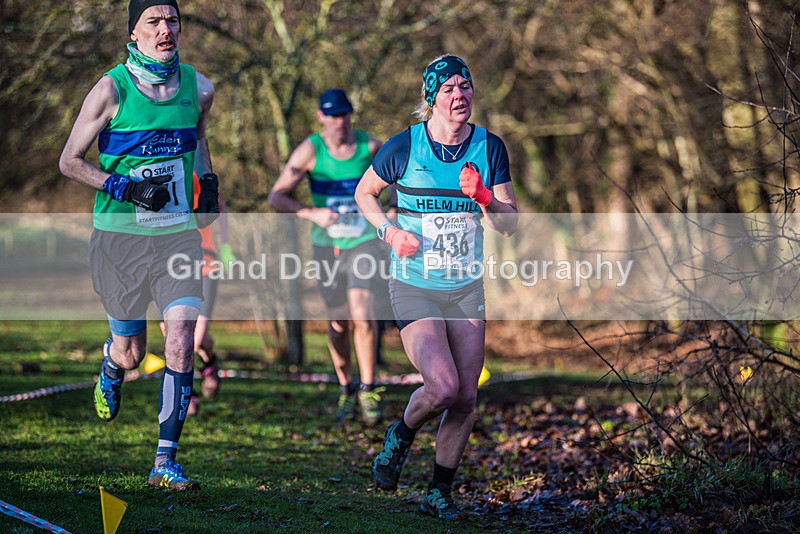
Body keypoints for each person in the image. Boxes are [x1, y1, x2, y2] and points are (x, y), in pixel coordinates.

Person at [58, 0, 219, 491]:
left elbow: (198, 139)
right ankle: (112, 360)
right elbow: (69, 161)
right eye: (153, 21)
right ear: (133, 34)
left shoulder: (200, 87)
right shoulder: (111, 89)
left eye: (172, 20)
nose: (165, 29)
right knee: (133, 355)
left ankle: (164, 461)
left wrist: (207, 180)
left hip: (176, 237)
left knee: (180, 341)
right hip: (120, 241)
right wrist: (123, 187)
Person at [354, 55, 518, 520]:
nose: (459, 95)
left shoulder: (490, 147)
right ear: (431, 98)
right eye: (447, 88)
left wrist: (484, 196)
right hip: (415, 286)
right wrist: (389, 232)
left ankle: (438, 492)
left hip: (466, 288)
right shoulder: (404, 146)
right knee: (442, 387)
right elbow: (365, 193)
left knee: (466, 397)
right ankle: (402, 433)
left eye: (465, 85)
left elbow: (510, 224)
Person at [268, 88, 386, 425]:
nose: (340, 122)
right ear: (321, 116)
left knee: (362, 313)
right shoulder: (311, 150)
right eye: (333, 115)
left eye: (345, 114)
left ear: (352, 115)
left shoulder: (371, 147)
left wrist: (388, 218)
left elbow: (398, 182)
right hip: (327, 246)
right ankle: (346, 386)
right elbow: (276, 197)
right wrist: (311, 213)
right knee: (337, 323)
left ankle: (368, 388)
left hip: (363, 241)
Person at [159, 172, 236, 417]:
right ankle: (190, 387)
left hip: (205, 260)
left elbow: (220, 207)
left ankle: (206, 367)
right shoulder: (155, 167)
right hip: (169, 262)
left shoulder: (194, 169)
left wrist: (224, 246)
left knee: (197, 338)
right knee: (173, 334)